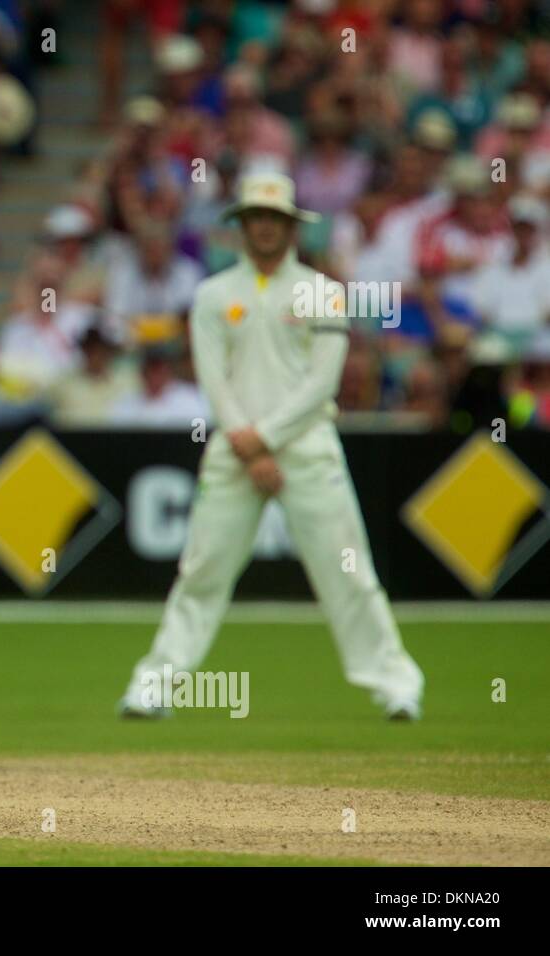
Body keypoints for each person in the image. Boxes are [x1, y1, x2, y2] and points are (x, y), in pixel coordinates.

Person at [118, 172, 425, 721]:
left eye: (275, 219)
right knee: (201, 571)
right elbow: (215, 379)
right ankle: (154, 685)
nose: (265, 227)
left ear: (290, 226)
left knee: (348, 571)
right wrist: (249, 445)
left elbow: (322, 383)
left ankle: (396, 684)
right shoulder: (213, 295)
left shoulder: (323, 293)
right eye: (256, 218)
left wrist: (266, 439)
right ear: (241, 225)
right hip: (235, 450)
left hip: (306, 448)